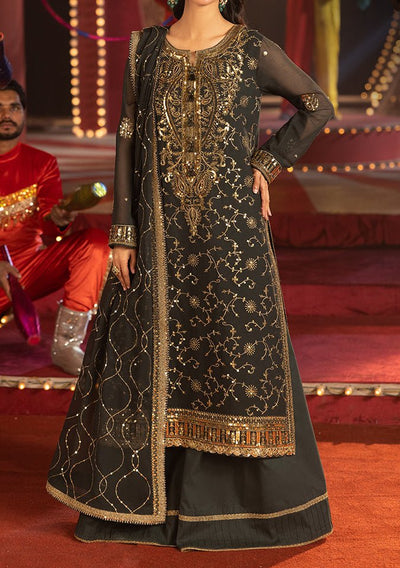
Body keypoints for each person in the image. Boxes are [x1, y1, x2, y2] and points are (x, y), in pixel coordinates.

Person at [47, 0, 334, 550]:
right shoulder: (146, 49)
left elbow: (317, 106)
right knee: (156, 355)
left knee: (231, 355)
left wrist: (268, 162)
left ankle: (237, 512)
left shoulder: (252, 49)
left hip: (231, 237)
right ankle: (146, 509)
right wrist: (123, 231)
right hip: (159, 234)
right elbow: (127, 138)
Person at [0, 80, 109, 375]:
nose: (7, 115)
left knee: (94, 243)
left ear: (24, 112)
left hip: (27, 271)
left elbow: (49, 227)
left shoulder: (42, 163)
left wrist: (58, 218)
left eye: (14, 107)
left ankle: (66, 346)